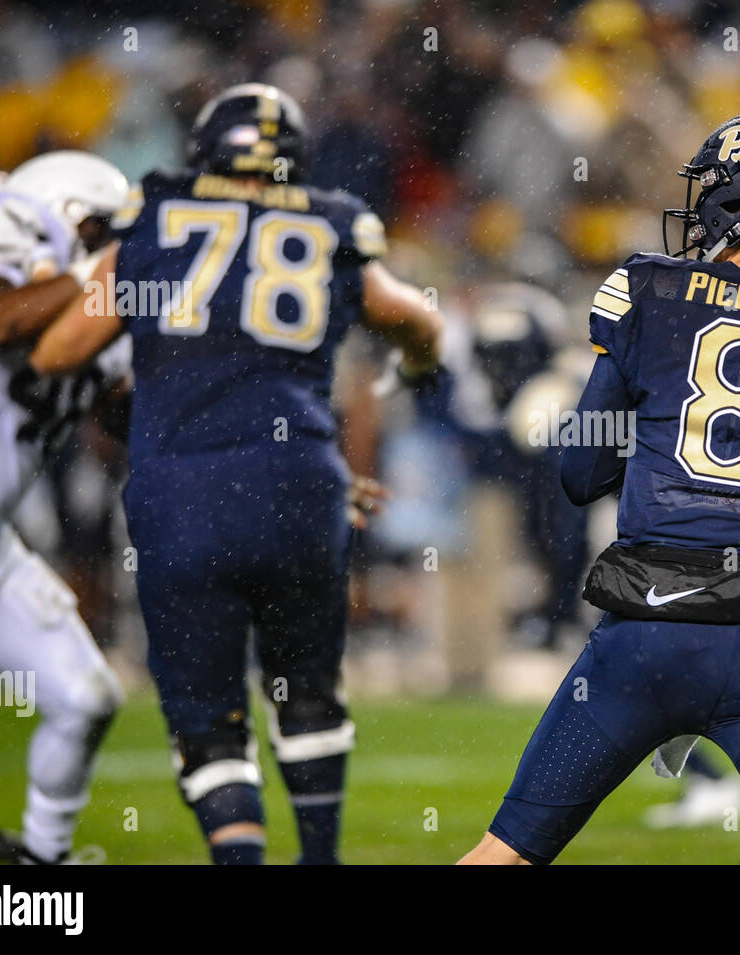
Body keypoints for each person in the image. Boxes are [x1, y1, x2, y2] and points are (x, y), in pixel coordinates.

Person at [461, 111, 740, 865]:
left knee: (503, 854)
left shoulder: (650, 292)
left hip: (639, 636)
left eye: (713, 186)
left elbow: (583, 475)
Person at [28, 84, 443, 865]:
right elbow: (418, 321)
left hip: (182, 490)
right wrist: (415, 363)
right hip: (302, 484)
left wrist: (144, 384)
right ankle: (319, 856)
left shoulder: (153, 218)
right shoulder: (330, 220)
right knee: (309, 689)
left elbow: (57, 351)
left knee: (207, 710)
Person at [0, 156, 127, 863]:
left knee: (86, 697)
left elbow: (135, 418)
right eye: (100, 229)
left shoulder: (90, 312)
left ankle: (43, 872)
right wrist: (95, 271)